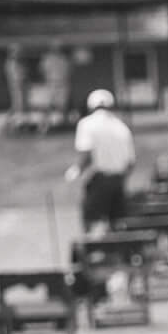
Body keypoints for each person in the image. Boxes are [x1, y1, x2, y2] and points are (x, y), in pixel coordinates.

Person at [67, 88, 135, 232]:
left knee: (91, 222)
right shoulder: (122, 127)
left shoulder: (86, 124)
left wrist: (76, 170)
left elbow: (86, 155)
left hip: (99, 180)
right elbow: (130, 163)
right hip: (118, 180)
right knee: (118, 226)